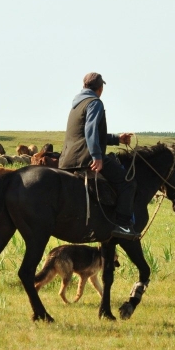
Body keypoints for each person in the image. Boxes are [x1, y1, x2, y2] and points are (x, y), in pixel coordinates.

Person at [58, 72, 138, 240]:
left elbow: (85, 133)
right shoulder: (95, 103)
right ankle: (123, 225)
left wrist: (117, 139)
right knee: (127, 182)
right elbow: (90, 131)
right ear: (100, 88)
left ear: (84, 86)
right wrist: (97, 157)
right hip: (85, 157)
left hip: (67, 159)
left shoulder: (76, 104)